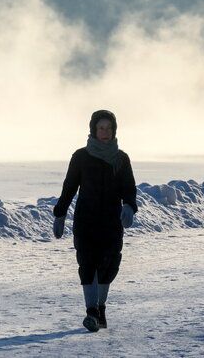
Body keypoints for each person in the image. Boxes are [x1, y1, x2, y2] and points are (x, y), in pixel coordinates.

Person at [53, 109, 138, 332]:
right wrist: (60, 213)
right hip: (86, 221)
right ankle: (91, 311)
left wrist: (129, 205)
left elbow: (128, 187)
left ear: (114, 130)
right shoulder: (81, 157)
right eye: (101, 128)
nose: (105, 132)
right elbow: (69, 186)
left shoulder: (121, 159)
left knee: (108, 266)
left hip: (111, 221)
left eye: (109, 128)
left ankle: (100, 308)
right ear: (93, 129)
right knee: (88, 264)